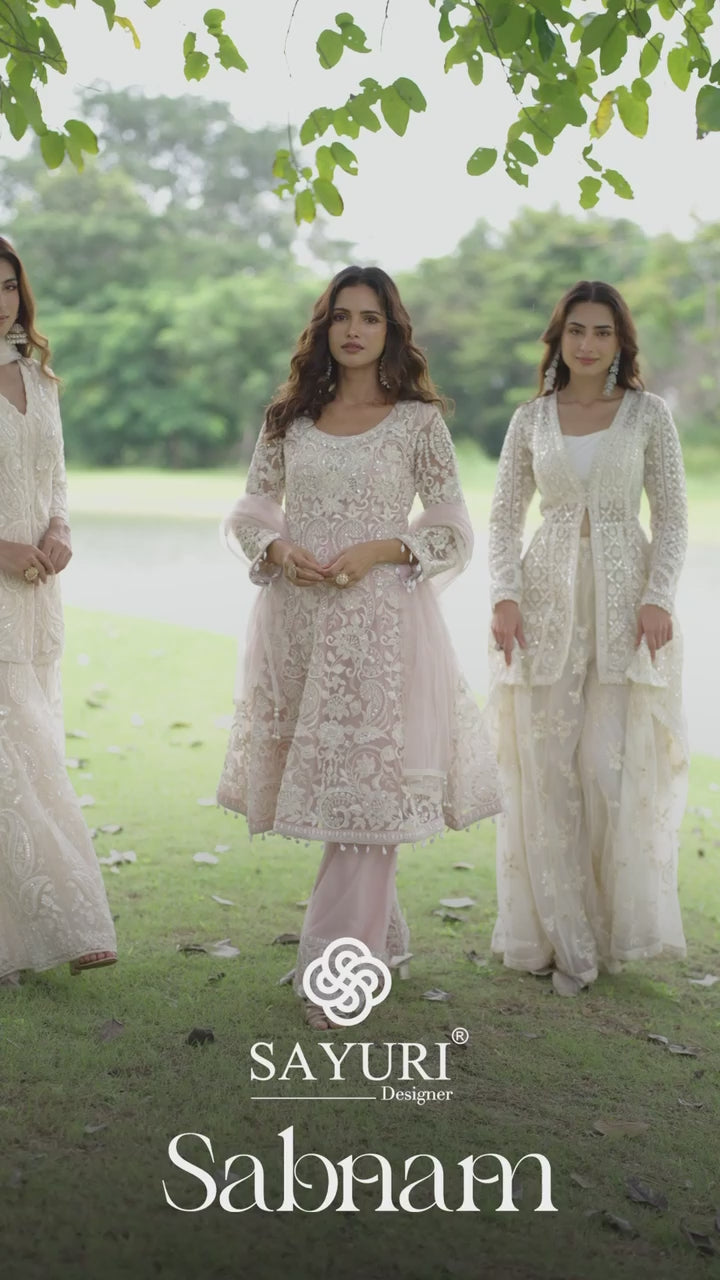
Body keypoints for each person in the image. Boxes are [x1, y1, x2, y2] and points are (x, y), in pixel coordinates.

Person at [218, 264, 500, 1029]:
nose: (353, 330)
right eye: (342, 316)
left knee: (369, 797)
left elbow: (453, 529)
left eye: (369, 318)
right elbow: (250, 510)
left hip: (381, 631)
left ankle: (337, 976)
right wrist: (278, 550)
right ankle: (384, 939)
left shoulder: (417, 423)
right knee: (350, 798)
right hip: (300, 627)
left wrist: (382, 549)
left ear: (390, 330)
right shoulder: (291, 419)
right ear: (324, 327)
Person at [487, 279, 688, 997]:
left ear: (620, 342)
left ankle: (607, 930)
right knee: (546, 769)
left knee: (608, 766)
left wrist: (658, 597)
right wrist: (504, 595)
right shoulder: (530, 420)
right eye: (576, 329)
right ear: (559, 337)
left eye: (602, 331)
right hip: (542, 604)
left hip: (625, 607)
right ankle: (561, 939)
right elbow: (504, 517)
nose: (588, 343)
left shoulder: (647, 415)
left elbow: (672, 516)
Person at [0, 236, 117, 987]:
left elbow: (58, 478)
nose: (0, 300)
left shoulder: (40, 379)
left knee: (36, 746)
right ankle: (75, 920)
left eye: (9, 286)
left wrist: (60, 531)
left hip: (39, 598)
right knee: (19, 756)